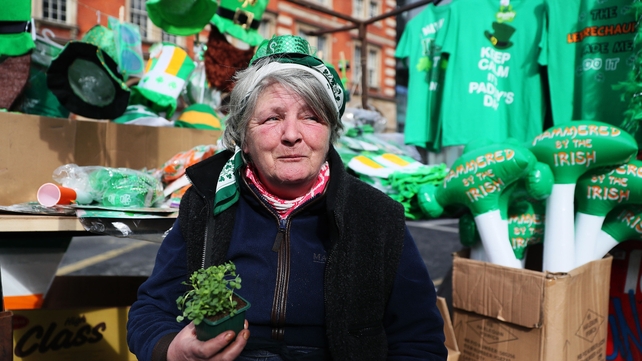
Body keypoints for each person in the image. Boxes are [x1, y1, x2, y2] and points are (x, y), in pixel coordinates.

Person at [127, 35, 448, 361]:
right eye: (272, 118)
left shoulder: (378, 217)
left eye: (311, 117)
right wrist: (172, 350)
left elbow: (419, 341)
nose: (292, 134)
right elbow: (151, 309)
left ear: (329, 134)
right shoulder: (205, 203)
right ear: (244, 139)